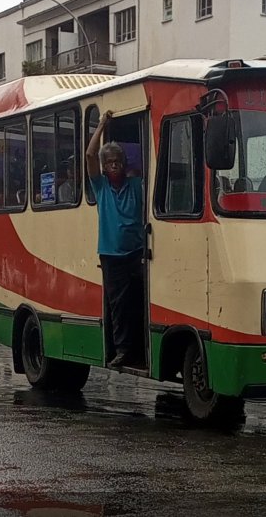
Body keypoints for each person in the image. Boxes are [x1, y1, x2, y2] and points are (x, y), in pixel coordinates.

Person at [86, 111, 145, 370]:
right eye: (109, 162)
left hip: (138, 251)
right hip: (112, 255)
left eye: (117, 161)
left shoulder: (136, 185)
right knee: (118, 306)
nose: (113, 165)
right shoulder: (100, 187)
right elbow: (89, 155)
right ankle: (122, 350)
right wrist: (101, 125)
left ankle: (140, 348)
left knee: (141, 301)